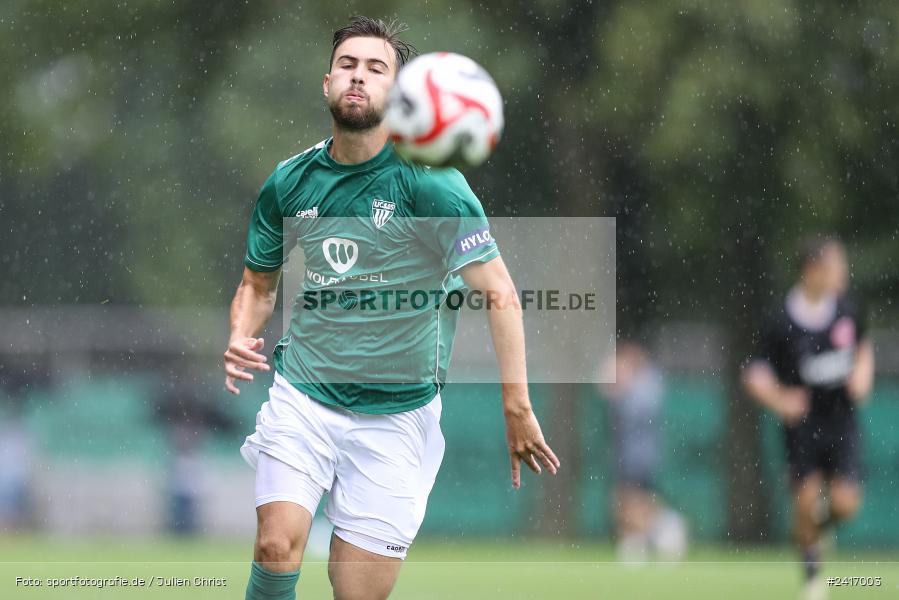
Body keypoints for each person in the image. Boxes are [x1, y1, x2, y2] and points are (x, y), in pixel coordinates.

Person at [223, 16, 559, 600]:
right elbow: (258, 283)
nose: (359, 77)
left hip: (399, 417)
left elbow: (500, 292)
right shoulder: (289, 182)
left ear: (398, 92)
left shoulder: (432, 185)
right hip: (304, 394)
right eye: (348, 66)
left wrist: (516, 402)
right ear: (326, 82)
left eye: (376, 69)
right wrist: (241, 333)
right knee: (276, 547)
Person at [742, 237, 874, 600]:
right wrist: (779, 398)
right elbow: (755, 373)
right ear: (812, 270)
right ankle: (813, 578)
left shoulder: (847, 309)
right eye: (835, 267)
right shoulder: (781, 320)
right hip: (802, 425)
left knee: (846, 504)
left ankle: (817, 527)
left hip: (841, 420)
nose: (842, 275)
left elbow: (862, 347)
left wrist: (863, 373)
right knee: (804, 502)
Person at [599, 342, 687, 562]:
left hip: (639, 455)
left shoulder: (647, 384)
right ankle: (641, 539)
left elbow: (633, 412)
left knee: (631, 500)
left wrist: (621, 386)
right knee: (627, 500)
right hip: (626, 453)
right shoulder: (638, 383)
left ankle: (663, 530)